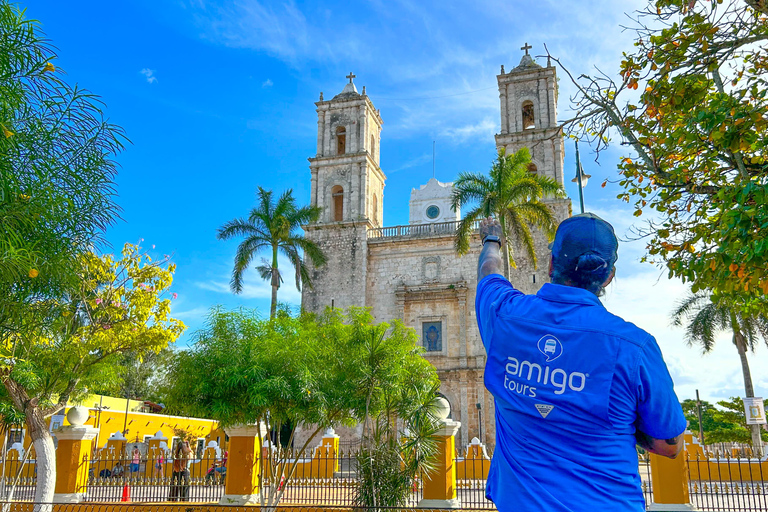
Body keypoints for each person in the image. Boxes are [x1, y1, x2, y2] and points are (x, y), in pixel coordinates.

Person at [475, 214, 686, 512]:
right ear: (608, 276)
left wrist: (492, 239)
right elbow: (670, 445)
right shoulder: (635, 346)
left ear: (550, 264)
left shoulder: (504, 316)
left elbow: (488, 271)